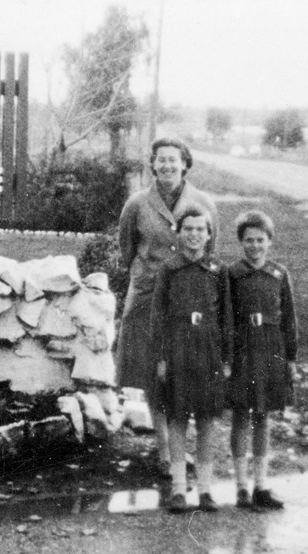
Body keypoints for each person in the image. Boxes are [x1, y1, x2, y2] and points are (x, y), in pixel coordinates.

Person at [116, 138, 219, 479]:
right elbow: (126, 247)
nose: (167, 167)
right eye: (161, 161)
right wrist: (145, 275)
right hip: (147, 295)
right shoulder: (137, 203)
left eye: (173, 161)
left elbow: (208, 249)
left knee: (185, 367)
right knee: (150, 370)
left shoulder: (202, 202)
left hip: (188, 297)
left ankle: (182, 446)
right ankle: (164, 450)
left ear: (185, 164)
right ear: (153, 165)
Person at [150, 206, 232, 513]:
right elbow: (158, 316)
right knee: (178, 417)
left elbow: (227, 317)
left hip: (209, 350)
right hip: (178, 350)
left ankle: (206, 489)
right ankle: (178, 489)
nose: (194, 235)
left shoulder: (218, 270)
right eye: (188, 229)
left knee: (208, 420)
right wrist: (160, 357)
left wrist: (226, 359)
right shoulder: (169, 269)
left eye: (200, 229)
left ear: (209, 235)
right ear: (178, 233)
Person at [228, 210, 299, 510]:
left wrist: (291, 357)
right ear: (241, 242)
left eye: (260, 240)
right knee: (241, 415)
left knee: (263, 416)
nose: (254, 246)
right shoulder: (232, 274)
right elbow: (227, 318)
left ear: (269, 241)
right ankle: (241, 487)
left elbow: (289, 319)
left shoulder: (279, 274)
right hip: (244, 346)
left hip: (271, 348)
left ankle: (261, 485)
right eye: (248, 240)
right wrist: (227, 357)